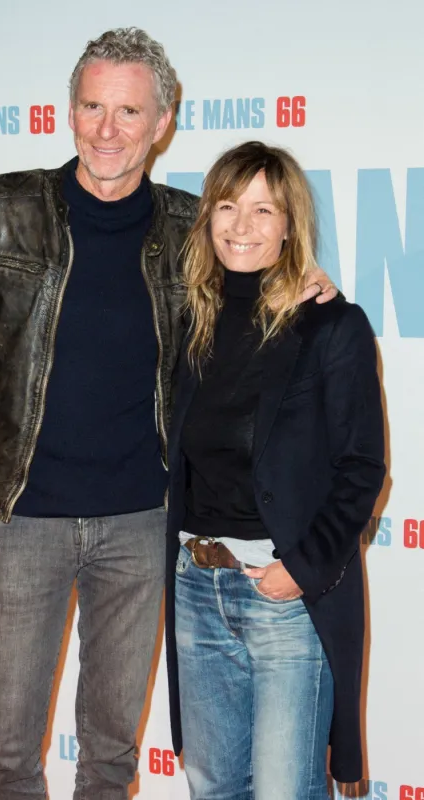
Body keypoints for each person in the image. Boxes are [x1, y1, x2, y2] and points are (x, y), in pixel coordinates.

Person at [0, 28, 337, 800]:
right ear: (69, 111)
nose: (107, 129)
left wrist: (302, 278)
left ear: (163, 120)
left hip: (143, 523)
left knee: (111, 754)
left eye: (129, 111)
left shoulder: (191, 227)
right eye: (92, 106)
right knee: (9, 750)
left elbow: (255, 271)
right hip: (19, 520)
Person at [165, 141, 386, 800]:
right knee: (212, 788)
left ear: (290, 224)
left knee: (285, 791)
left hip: (282, 595)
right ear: (206, 217)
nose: (241, 226)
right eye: (227, 206)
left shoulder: (331, 326)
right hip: (194, 588)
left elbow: (361, 467)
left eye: (263, 210)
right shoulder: (187, 322)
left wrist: (302, 570)